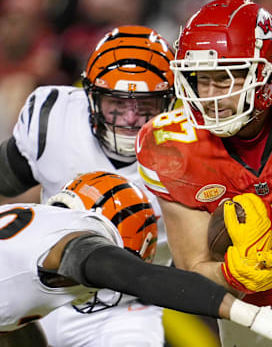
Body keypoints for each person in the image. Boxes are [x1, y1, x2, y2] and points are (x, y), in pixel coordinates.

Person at [135, 0, 272, 347]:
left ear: (267, 73)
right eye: (199, 80)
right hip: (250, 308)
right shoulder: (168, 146)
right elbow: (195, 269)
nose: (208, 96)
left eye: (224, 80)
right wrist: (234, 273)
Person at [0, 25, 175, 347]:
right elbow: (6, 179)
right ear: (91, 94)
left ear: (169, 102)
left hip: (127, 307)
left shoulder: (193, 146)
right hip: (47, 298)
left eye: (146, 105)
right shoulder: (55, 118)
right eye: (117, 103)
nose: (130, 118)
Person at [0, 171, 272, 347]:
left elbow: (14, 317)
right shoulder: (76, 241)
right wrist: (250, 315)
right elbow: (143, 279)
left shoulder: (38, 228)